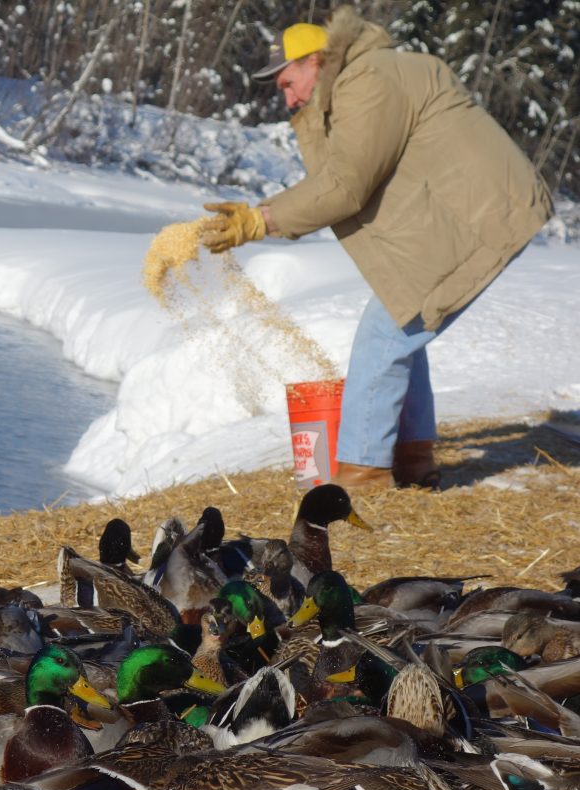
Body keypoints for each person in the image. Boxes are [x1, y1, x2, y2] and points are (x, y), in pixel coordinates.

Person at [201, 5, 553, 493]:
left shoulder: (368, 80)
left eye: (287, 83)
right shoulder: (356, 83)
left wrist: (258, 220)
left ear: (315, 62)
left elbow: (347, 184)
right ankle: (412, 456)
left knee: (382, 335)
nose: (286, 99)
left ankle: (363, 473)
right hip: (463, 214)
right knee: (403, 317)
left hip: (483, 213)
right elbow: (339, 174)